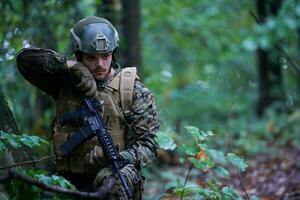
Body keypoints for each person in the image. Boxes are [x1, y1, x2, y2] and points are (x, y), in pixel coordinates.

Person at [16, 16, 159, 199]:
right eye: (91, 58)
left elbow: (149, 144)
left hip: (115, 172)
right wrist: (71, 67)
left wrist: (118, 157)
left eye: (105, 56)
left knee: (115, 182)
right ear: (79, 55)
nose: (100, 64)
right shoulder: (66, 83)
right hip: (68, 176)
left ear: (113, 54)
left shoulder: (133, 91)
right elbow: (24, 60)